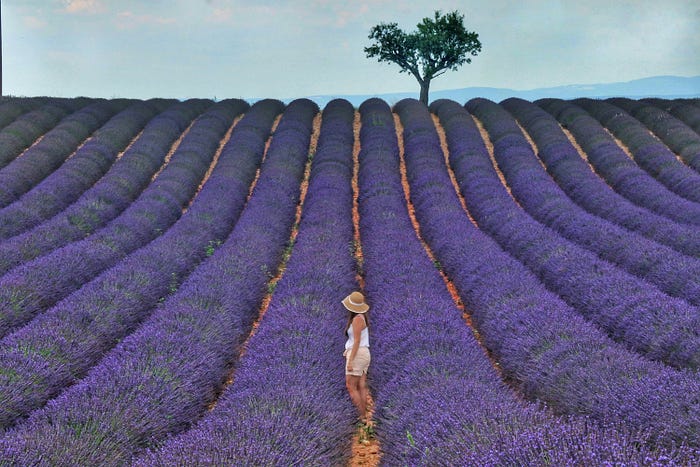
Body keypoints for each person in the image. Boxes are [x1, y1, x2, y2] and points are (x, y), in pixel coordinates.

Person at [342, 291, 371, 424]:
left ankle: (361, 416)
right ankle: (364, 415)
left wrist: (351, 360)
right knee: (361, 385)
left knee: (351, 385)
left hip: (358, 354)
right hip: (364, 353)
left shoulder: (356, 320)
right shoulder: (362, 317)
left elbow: (357, 341)